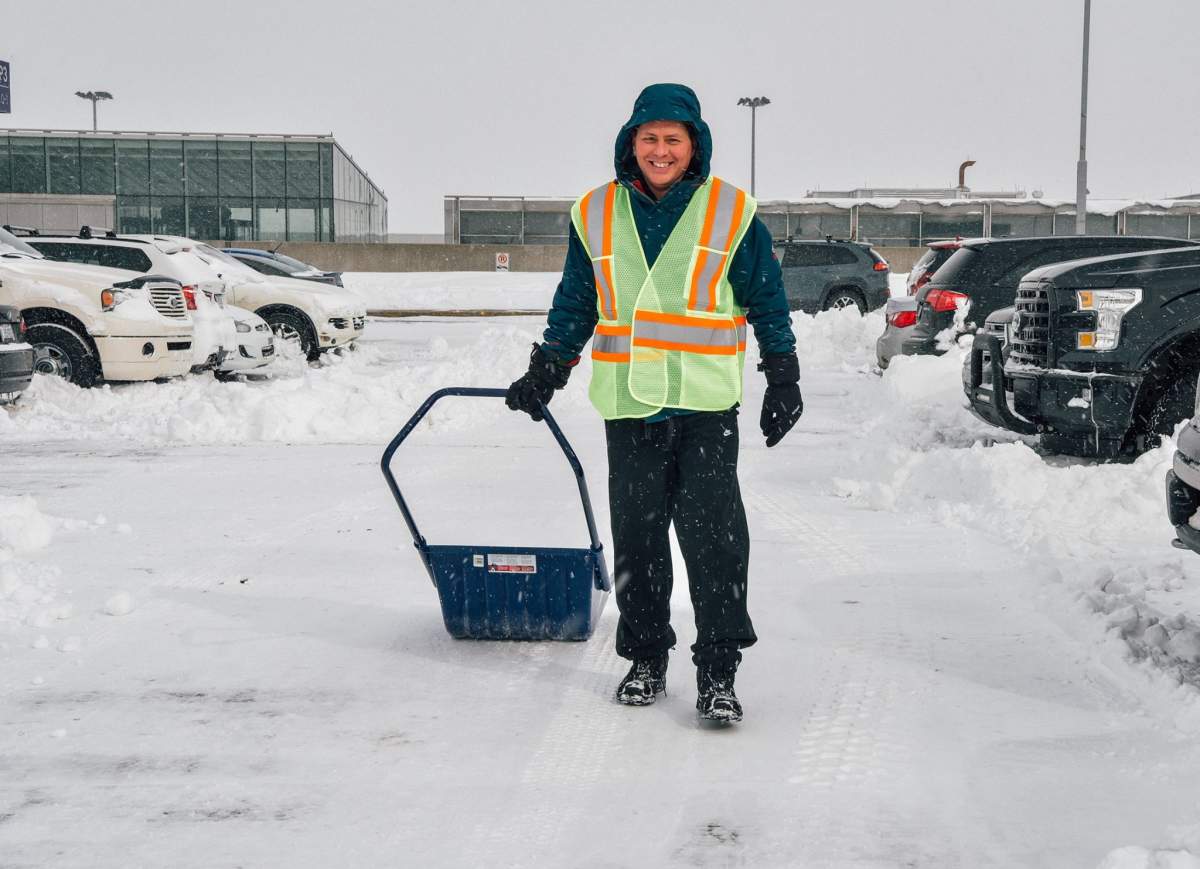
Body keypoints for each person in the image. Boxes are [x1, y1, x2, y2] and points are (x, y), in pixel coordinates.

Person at [505, 83, 801, 724]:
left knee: (716, 542)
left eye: (673, 138)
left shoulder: (732, 210)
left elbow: (766, 297)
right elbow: (578, 301)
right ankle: (646, 658)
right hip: (629, 404)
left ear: (694, 144)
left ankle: (718, 670)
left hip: (704, 404)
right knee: (637, 540)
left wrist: (783, 374)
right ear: (630, 144)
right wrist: (546, 368)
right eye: (649, 138)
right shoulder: (596, 211)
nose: (660, 150)